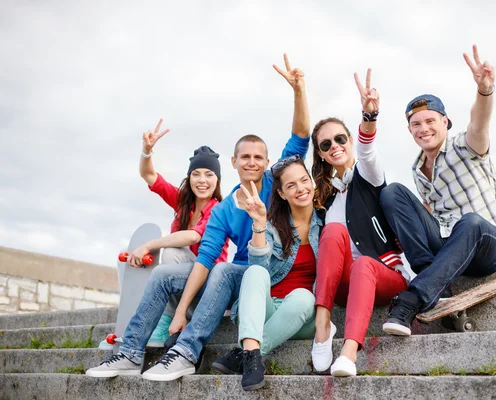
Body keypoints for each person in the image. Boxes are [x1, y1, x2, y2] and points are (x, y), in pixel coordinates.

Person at [85, 54, 311, 380]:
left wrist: (299, 91)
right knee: (165, 274)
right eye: (245, 156)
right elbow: (203, 259)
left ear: (267, 161)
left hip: (263, 277)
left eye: (258, 157)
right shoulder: (223, 210)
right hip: (234, 278)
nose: (252, 162)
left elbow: (301, 137)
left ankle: (185, 353)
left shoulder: (277, 185)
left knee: (222, 268)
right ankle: (131, 352)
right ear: (234, 161)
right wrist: (180, 312)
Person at [380, 45, 496, 336]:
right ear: (410, 130)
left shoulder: (465, 146)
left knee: (470, 221)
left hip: (487, 245)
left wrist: (484, 91)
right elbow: (429, 213)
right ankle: (434, 277)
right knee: (392, 192)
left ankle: (412, 299)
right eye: (416, 124)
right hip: (449, 246)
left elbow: (479, 122)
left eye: (430, 121)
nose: (424, 129)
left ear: (444, 121)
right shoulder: (418, 169)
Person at [310, 69, 410, 377]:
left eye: (340, 139)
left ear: (350, 140)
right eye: (325, 145)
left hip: (382, 274)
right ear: (322, 155)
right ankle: (323, 326)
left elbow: (367, 150)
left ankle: (349, 353)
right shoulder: (323, 196)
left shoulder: (369, 176)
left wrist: (370, 114)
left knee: (364, 263)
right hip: (341, 285)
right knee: (334, 230)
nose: (334, 147)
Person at [98, 120, 229, 350]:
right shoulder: (182, 201)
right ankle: (140, 323)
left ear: (217, 179)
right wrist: (146, 151)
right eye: (196, 174)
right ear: (189, 178)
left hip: (207, 283)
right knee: (154, 262)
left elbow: (192, 237)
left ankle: (165, 319)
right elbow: (149, 176)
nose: (202, 180)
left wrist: (149, 245)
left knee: (169, 254)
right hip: (181, 281)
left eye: (209, 174)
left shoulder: (218, 208)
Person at [212, 155, 322, 391]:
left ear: (312, 182)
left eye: (304, 180)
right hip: (262, 311)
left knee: (304, 297)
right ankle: (252, 356)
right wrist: (260, 223)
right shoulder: (273, 224)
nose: (300, 189)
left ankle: (245, 354)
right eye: (291, 185)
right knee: (254, 272)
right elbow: (259, 268)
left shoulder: (326, 224)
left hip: (302, 316)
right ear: (282, 193)